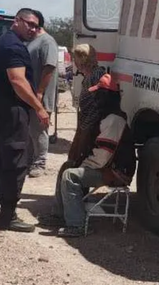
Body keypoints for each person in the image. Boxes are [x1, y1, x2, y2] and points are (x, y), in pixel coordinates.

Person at [0, 8, 49, 232]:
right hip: (11, 111)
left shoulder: (4, 41)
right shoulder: (13, 46)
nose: (32, 29)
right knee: (14, 163)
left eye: (36, 26)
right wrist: (39, 108)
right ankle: (7, 216)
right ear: (17, 20)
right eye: (29, 23)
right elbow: (18, 81)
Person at [42, 73, 136, 237]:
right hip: (108, 167)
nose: (95, 99)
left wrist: (81, 166)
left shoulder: (114, 120)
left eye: (98, 95)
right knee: (67, 167)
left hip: (116, 173)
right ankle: (59, 215)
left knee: (71, 175)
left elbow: (102, 157)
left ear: (105, 97)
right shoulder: (108, 117)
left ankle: (77, 224)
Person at [25, 9, 59, 178]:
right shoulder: (33, 41)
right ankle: (30, 160)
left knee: (39, 130)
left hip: (41, 95)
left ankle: (40, 163)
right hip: (31, 94)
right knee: (31, 129)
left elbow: (49, 67)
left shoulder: (47, 42)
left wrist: (39, 93)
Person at [67, 43, 107, 166]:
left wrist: (84, 133)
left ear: (81, 60)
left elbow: (93, 107)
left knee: (78, 159)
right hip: (90, 124)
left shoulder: (93, 77)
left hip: (90, 127)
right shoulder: (95, 74)